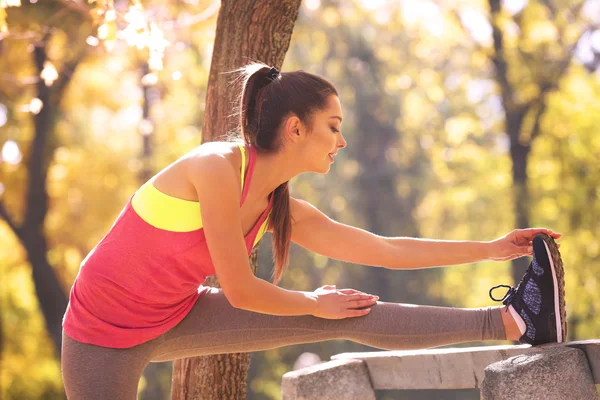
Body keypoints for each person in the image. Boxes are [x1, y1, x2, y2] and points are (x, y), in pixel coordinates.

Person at [61, 63, 566, 399]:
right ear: (295, 128)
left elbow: (385, 249)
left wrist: (495, 249)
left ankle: (513, 323)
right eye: (333, 125)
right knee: (326, 306)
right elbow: (239, 291)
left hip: (173, 313)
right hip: (99, 337)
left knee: (347, 310)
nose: (342, 140)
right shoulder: (214, 168)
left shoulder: (281, 207)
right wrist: (311, 301)